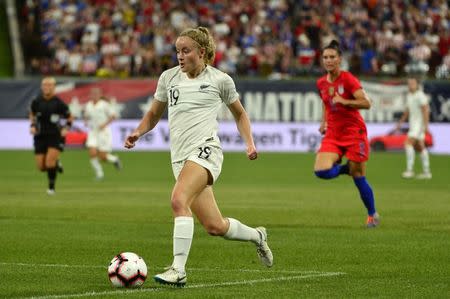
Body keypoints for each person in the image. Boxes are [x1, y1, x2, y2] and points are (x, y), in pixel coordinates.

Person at [124, 27, 273, 286]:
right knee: (216, 226)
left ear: (201, 52)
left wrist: (249, 143)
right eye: (177, 51)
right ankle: (257, 236)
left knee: (178, 200)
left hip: (206, 151)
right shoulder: (169, 78)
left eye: (185, 51)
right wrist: (138, 132)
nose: (179, 56)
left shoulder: (220, 80)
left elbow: (240, 113)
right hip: (180, 158)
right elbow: (154, 114)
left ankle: (178, 270)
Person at [314, 40, 380, 228]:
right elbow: (326, 102)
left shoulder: (348, 79)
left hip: (354, 133)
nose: (329, 60)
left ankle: (372, 214)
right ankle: (347, 168)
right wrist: (323, 122)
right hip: (334, 133)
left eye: (332, 57)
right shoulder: (321, 83)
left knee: (359, 177)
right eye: (325, 57)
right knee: (321, 171)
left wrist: (345, 101)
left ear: (340, 59)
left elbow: (366, 103)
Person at [29, 77, 73, 195]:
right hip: (40, 136)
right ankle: (56, 162)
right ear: (41, 87)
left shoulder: (59, 103)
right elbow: (32, 114)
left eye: (49, 85)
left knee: (49, 162)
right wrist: (32, 125)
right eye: (45, 85)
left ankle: (51, 188)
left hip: (55, 135)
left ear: (54, 87)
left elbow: (70, 117)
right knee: (41, 167)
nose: (47, 87)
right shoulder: (36, 101)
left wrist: (66, 128)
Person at [396, 77, 431, 179]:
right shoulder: (409, 96)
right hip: (413, 125)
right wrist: (400, 122)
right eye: (409, 83)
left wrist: (426, 126)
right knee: (420, 147)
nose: (410, 85)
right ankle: (427, 172)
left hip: (418, 125)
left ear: (417, 85)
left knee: (407, 144)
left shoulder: (420, 96)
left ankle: (409, 170)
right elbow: (407, 112)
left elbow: (425, 111)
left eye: (412, 83)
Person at [83, 87, 122, 180]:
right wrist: (85, 120)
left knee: (103, 157)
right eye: (93, 94)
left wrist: (104, 124)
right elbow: (86, 116)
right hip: (93, 132)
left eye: (96, 94)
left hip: (103, 133)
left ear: (100, 95)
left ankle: (115, 159)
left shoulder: (104, 104)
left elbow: (113, 116)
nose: (94, 95)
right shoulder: (88, 105)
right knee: (92, 152)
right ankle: (99, 174)